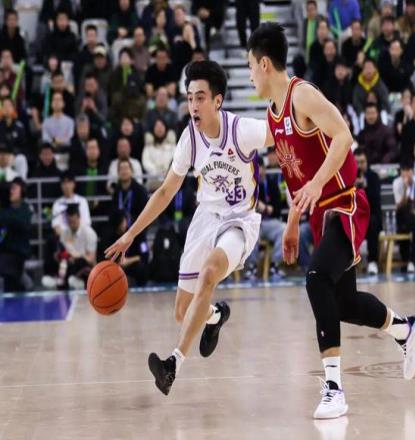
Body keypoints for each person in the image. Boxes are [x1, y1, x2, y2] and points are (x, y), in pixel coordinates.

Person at [248, 22, 415, 419]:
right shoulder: (272, 115)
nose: (249, 75)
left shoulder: (302, 94)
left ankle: (334, 389)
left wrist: (315, 185)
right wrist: (292, 222)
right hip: (319, 212)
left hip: (345, 204)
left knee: (316, 280)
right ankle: (406, 329)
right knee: (343, 303)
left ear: (264, 64)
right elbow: (296, 179)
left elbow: (344, 136)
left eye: (249, 66)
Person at [105, 60, 270, 397]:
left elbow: (284, 133)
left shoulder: (242, 130)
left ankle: (173, 364)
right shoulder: (189, 139)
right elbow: (165, 191)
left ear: (217, 100)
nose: (193, 105)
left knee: (209, 273)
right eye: (190, 97)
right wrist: (131, 234)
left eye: (200, 98)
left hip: (239, 220)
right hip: (205, 219)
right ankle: (216, 316)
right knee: (183, 312)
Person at [245, 157, 287, 281]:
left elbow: (277, 209)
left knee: (283, 229)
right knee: (250, 230)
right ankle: (252, 267)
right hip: (253, 221)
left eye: (259, 168)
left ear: (263, 169)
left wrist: (267, 208)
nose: (257, 172)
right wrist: (256, 206)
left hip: (269, 222)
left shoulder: (272, 183)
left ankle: (275, 265)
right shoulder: (248, 185)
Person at [99, 210, 149, 286]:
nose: (125, 223)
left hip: (133, 266)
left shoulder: (138, 234)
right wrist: (117, 263)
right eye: (123, 221)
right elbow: (104, 256)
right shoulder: (108, 236)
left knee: (141, 267)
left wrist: (129, 260)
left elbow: (145, 254)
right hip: (115, 266)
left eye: (125, 220)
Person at [0, 178, 32, 291]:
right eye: (10, 189)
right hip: (4, 252)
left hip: (18, 252)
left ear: (22, 191)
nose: (11, 191)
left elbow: (23, 224)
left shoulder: (25, 208)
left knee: (8, 271)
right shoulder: (5, 208)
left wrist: (7, 218)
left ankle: (25, 281)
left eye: (14, 188)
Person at [354, 148, 382, 275]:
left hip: (371, 216)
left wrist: (365, 188)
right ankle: (350, 261)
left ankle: (372, 261)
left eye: (362, 162)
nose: (360, 165)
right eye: (357, 162)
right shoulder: (349, 177)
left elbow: (376, 202)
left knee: (372, 222)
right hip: (354, 216)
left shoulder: (373, 177)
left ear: (367, 162)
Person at [58, 204, 98, 290]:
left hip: (85, 266)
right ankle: (63, 282)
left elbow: (91, 260)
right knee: (63, 261)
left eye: (74, 222)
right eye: (69, 222)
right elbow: (63, 253)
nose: (71, 225)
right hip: (69, 265)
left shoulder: (89, 233)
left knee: (81, 262)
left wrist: (78, 255)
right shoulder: (65, 233)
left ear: (79, 218)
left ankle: (77, 281)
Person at [42, 91, 75, 171]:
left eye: (59, 100)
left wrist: (57, 141)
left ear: (63, 103)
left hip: (66, 152)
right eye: (54, 100)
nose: (56, 102)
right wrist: (55, 141)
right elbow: (45, 138)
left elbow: (70, 139)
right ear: (51, 104)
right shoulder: (46, 122)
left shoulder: (70, 121)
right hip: (51, 153)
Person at [51, 171, 92, 237]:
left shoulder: (82, 201)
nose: (67, 186)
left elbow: (87, 223)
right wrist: (67, 237)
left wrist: (76, 236)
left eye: (69, 182)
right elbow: (56, 226)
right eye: (64, 183)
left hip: (80, 236)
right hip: (64, 237)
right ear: (61, 186)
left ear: (74, 184)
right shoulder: (57, 203)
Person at [393, 161, 415, 267]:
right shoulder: (396, 183)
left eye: (408, 170)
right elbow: (398, 206)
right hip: (402, 217)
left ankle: (411, 259)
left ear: (413, 171)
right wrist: (406, 189)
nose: (406, 173)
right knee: (405, 210)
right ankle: (407, 259)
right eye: (403, 171)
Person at [142, 119, 177, 190]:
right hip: (153, 180)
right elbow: (146, 162)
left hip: (170, 179)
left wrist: (167, 171)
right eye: (157, 126)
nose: (159, 128)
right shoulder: (148, 147)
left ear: (165, 128)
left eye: (161, 126)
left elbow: (176, 160)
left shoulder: (172, 146)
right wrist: (156, 172)